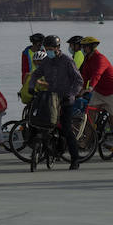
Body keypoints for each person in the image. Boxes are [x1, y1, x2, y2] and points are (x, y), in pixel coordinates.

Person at [26, 34, 84, 169]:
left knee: (66, 129)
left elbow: (78, 81)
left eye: (51, 49)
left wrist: (70, 94)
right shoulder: (46, 61)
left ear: (58, 47)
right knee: (38, 121)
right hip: (51, 99)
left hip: (65, 100)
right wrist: (31, 87)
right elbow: (35, 74)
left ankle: (75, 159)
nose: (49, 51)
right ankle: (41, 148)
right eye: (46, 49)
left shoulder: (67, 61)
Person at [78, 35, 113, 145]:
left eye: (85, 47)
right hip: (99, 92)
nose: (83, 49)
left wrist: (90, 88)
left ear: (91, 47)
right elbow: (85, 76)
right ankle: (87, 140)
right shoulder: (87, 59)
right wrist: (81, 89)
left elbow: (97, 74)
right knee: (90, 114)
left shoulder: (100, 58)